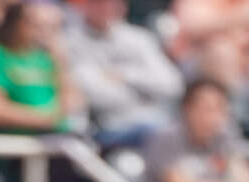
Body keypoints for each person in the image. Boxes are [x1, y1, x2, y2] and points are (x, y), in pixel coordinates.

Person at [63, 0, 184, 148]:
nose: (108, 8)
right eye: (101, 4)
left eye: (114, 3)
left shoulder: (139, 38)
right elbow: (98, 97)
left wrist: (125, 75)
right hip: (107, 130)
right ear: (86, 6)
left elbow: (172, 84)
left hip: (155, 122)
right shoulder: (71, 42)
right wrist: (145, 94)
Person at [0, 1, 76, 134]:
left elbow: (73, 102)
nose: (45, 32)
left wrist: (61, 64)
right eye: (36, 25)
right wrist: (45, 120)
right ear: (15, 22)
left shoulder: (46, 58)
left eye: (53, 27)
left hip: (57, 137)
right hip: (13, 139)